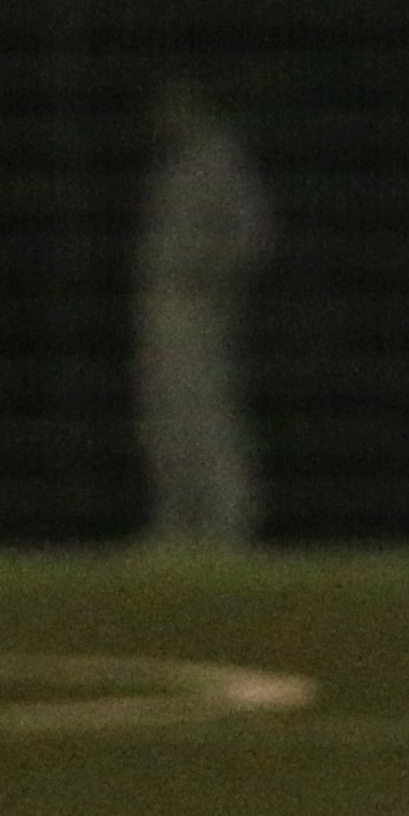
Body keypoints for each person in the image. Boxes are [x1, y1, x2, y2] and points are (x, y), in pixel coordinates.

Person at [135, 75, 272, 547]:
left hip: (198, 305)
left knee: (206, 410)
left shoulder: (219, 157)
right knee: (163, 414)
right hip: (163, 301)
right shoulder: (177, 163)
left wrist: (212, 277)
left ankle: (227, 521)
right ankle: (180, 520)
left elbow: (254, 235)